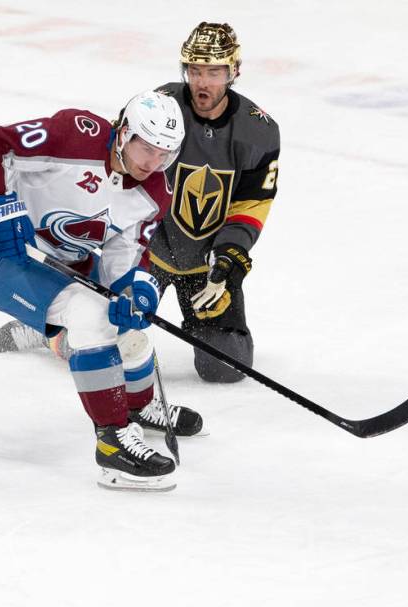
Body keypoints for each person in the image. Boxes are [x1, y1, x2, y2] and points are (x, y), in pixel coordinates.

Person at [0, 91, 201, 491]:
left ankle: (137, 409)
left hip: (69, 271)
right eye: (148, 149)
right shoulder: (75, 135)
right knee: (91, 315)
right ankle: (112, 447)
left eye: (165, 155)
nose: (154, 164)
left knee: (130, 333)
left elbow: (125, 256)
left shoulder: (152, 191)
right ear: (124, 133)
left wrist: (135, 290)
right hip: (3, 261)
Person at [147, 22, 280, 382]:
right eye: (194, 70)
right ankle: (58, 332)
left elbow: (250, 204)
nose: (202, 82)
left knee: (225, 367)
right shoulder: (158, 106)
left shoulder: (258, 130)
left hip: (204, 267)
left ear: (234, 71)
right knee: (100, 337)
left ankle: (200, 327)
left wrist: (228, 259)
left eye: (214, 71)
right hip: (146, 249)